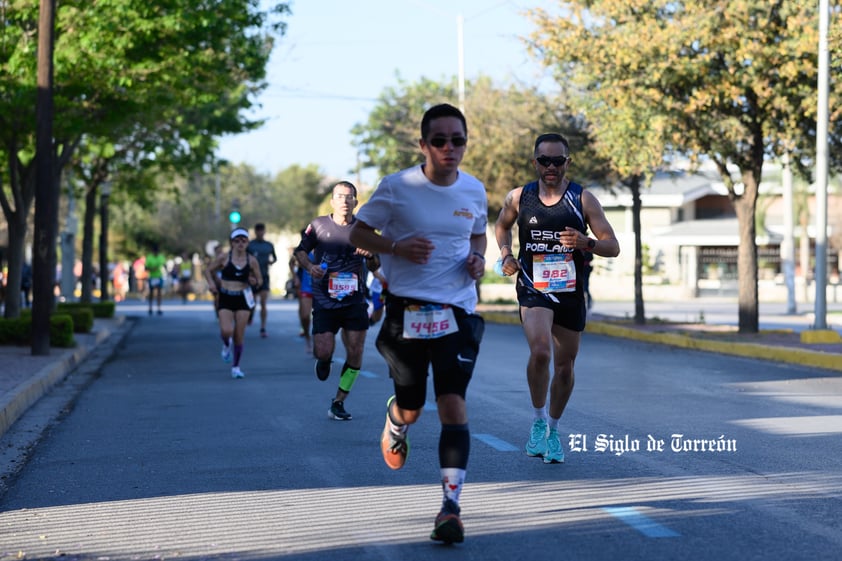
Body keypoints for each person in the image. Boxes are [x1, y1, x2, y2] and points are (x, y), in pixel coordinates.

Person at [349, 103, 487, 545]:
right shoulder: (397, 188)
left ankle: (451, 507)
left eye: (458, 140)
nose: (450, 148)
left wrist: (478, 257)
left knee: (452, 404)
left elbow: (479, 231)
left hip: (458, 311)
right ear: (423, 144)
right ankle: (396, 422)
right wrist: (396, 247)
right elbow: (357, 234)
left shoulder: (474, 190)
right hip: (406, 311)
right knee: (414, 406)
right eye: (440, 140)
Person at [494, 132, 619, 464]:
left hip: (569, 291)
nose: (551, 167)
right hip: (533, 287)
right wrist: (506, 254)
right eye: (544, 160)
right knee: (540, 353)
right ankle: (537, 421)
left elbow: (613, 246)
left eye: (558, 161)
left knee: (565, 367)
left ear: (568, 162)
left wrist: (585, 242)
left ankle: (552, 429)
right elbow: (502, 225)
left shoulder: (583, 199)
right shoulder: (520, 197)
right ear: (535, 162)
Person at [295, 181, 379, 421]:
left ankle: (339, 401)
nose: (344, 200)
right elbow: (300, 251)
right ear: (332, 201)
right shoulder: (319, 225)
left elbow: (376, 264)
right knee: (323, 351)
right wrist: (310, 267)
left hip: (354, 301)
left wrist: (370, 255)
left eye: (349, 196)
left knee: (356, 350)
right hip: (324, 301)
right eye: (340, 196)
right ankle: (324, 360)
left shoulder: (365, 230)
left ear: (355, 202)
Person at [204, 228, 263, 379]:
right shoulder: (224, 258)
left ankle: (236, 367)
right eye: (237, 240)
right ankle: (225, 344)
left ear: (247, 242)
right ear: (231, 243)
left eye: (244, 240)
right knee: (226, 331)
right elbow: (208, 271)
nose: (240, 243)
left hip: (243, 298)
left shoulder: (252, 260)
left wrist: (254, 281)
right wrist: (211, 284)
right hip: (225, 297)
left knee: (239, 335)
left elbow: (260, 280)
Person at [247, 223, 278, 337]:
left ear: (264, 232)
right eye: (258, 231)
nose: (260, 233)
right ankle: (250, 316)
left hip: (264, 276)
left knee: (263, 303)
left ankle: (263, 328)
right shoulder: (250, 245)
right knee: (252, 303)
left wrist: (270, 262)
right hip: (253, 278)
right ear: (255, 232)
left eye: (262, 231)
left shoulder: (269, 245)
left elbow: (274, 258)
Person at [289, 241, 313, 353]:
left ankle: (318, 343)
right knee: (305, 316)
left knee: (321, 318)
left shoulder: (325, 248)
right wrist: (295, 277)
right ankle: (308, 338)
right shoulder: (304, 250)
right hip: (306, 287)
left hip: (321, 289)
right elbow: (291, 262)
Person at [145, 244, 167, 315]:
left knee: (159, 292)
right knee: (151, 293)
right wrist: (152, 269)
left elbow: (164, 265)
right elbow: (146, 268)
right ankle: (150, 307)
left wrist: (164, 267)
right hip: (152, 276)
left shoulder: (161, 257)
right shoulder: (149, 257)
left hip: (159, 276)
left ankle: (159, 308)